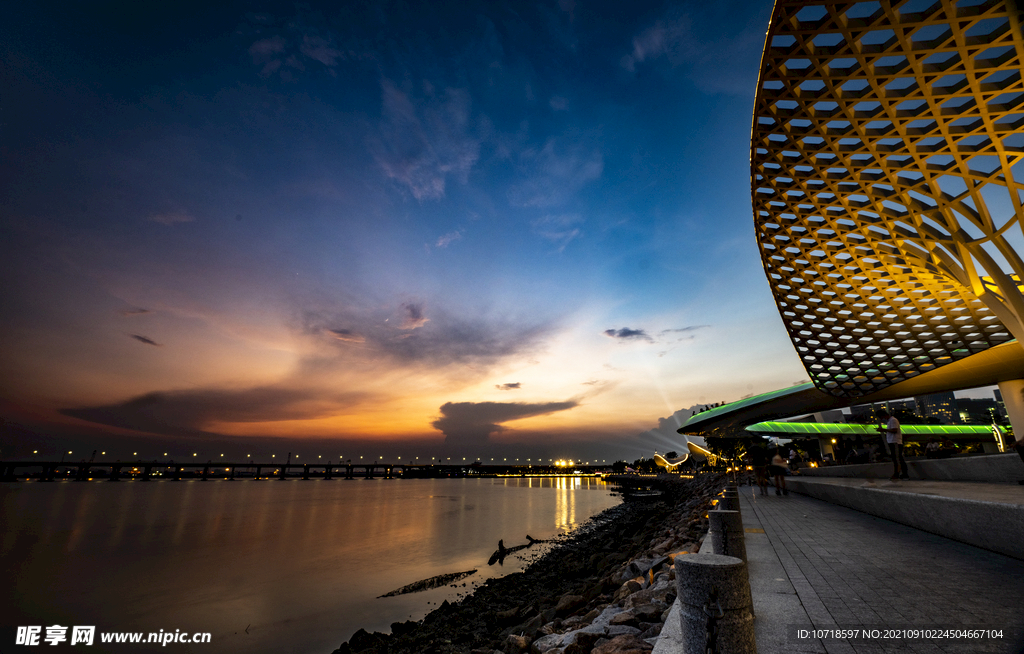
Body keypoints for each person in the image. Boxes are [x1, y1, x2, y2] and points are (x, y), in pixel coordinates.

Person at [879, 410, 908, 480]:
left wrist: (884, 430)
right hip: (893, 442)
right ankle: (902, 474)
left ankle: (899, 474)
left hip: (895, 442)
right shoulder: (890, 421)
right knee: (897, 458)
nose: (881, 419)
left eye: (881, 417)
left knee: (897, 459)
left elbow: (894, 430)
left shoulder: (893, 420)